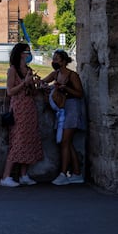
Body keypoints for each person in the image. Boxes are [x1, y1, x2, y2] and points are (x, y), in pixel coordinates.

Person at [0, 42, 43, 187]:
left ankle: (24, 175)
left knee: (29, 140)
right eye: (26, 51)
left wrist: (35, 84)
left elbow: (33, 93)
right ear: (20, 53)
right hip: (18, 109)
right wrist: (24, 82)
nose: (29, 54)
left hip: (29, 108)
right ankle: (6, 176)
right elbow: (10, 91)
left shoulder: (29, 70)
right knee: (18, 140)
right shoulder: (12, 70)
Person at [41, 49, 86, 185]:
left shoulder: (72, 75)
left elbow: (79, 93)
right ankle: (77, 173)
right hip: (62, 110)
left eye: (56, 59)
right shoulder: (56, 74)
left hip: (72, 109)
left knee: (65, 142)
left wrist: (65, 88)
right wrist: (42, 85)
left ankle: (63, 173)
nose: (53, 61)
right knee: (67, 142)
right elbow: (43, 81)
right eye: (53, 58)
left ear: (64, 61)